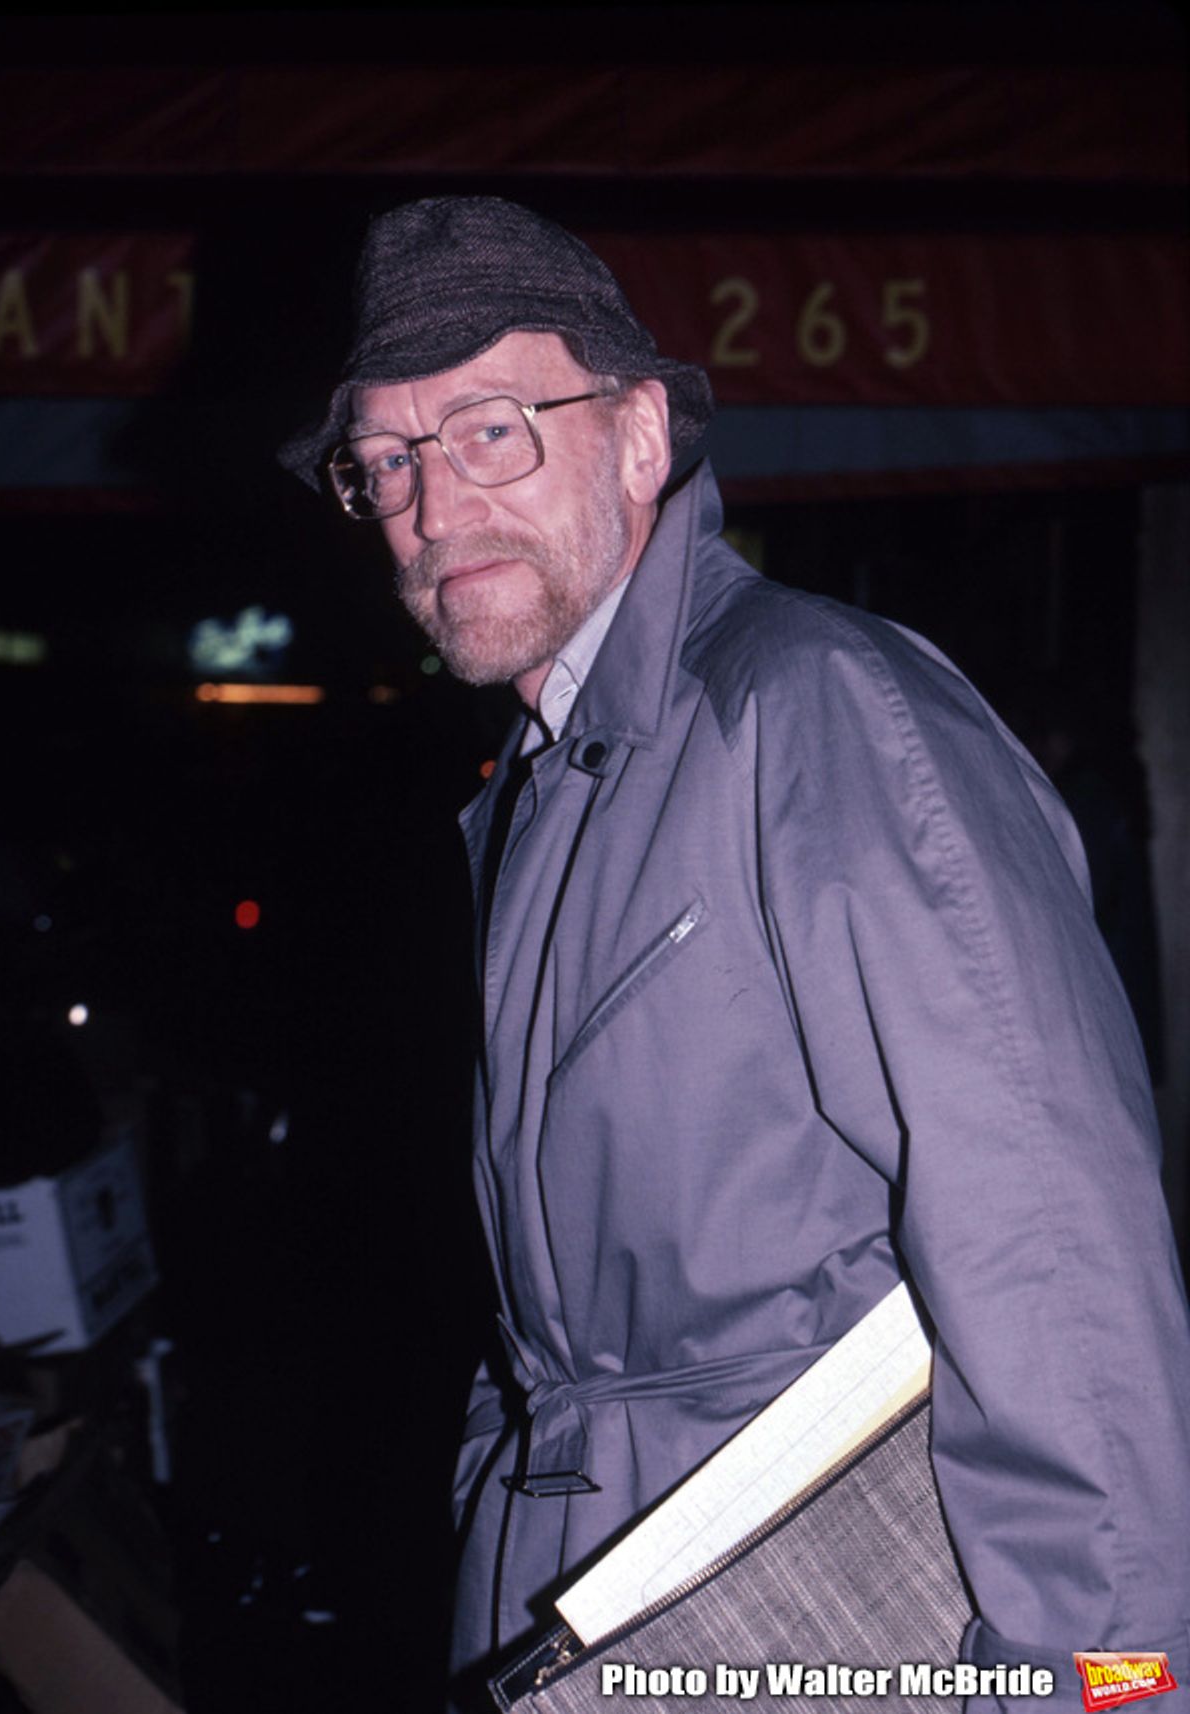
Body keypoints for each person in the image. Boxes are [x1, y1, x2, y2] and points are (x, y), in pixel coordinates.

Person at [280, 197, 1190, 1712]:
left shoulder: (818, 710)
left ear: (640, 440)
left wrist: (1104, 1685)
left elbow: (1054, 1256)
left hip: (800, 1618)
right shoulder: (548, 780)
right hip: (592, 1617)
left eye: (491, 430)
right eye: (386, 461)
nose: (431, 509)